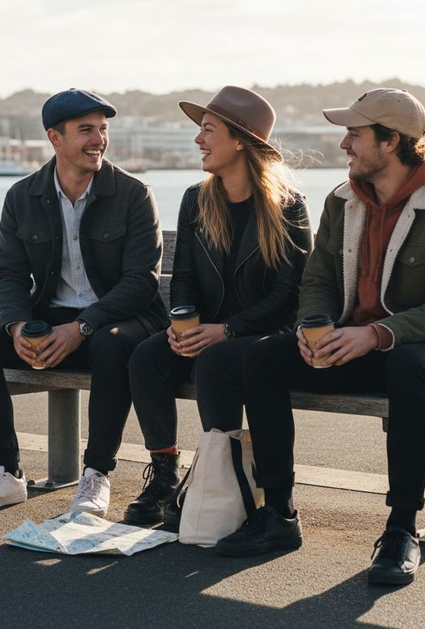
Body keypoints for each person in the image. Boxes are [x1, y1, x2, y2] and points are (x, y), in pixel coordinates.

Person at [212, 89, 425, 586]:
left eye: (355, 135)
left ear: (391, 142)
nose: (344, 145)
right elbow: (316, 281)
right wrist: (311, 330)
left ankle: (402, 528)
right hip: (358, 345)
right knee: (261, 359)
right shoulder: (341, 202)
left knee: (408, 366)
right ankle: (278, 513)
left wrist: (378, 334)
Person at [0, 89, 165, 517]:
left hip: (121, 319)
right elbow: (9, 274)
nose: (98, 140)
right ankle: (6, 473)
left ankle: (96, 475)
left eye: (103, 129)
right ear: (55, 137)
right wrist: (16, 326)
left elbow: (141, 282)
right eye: (86, 130)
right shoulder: (22, 196)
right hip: (53, 319)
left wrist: (81, 327)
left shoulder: (133, 194)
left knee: (110, 343)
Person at [121, 86, 313, 526]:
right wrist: (182, 322)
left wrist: (227, 330)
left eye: (208, 130)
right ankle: (165, 475)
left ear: (241, 140)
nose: (198, 140)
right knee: (147, 356)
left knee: (216, 361)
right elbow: (184, 277)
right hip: (208, 334)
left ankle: (223, 482)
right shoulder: (196, 198)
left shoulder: (288, 208)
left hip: (259, 339)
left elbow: (289, 296)